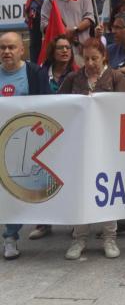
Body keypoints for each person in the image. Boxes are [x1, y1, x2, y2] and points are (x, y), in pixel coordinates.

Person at [58, 38, 125, 260]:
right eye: (86, 58)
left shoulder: (115, 77)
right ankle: (79, 239)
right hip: (80, 143)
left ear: (104, 57)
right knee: (81, 190)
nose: (89, 63)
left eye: (94, 58)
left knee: (108, 189)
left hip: (108, 144)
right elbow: (60, 105)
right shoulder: (73, 77)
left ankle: (110, 238)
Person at [0, 32, 48, 259]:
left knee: (14, 192)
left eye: (11, 47)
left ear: (22, 50)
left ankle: (10, 237)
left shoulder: (34, 73)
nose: (6, 52)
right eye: (2, 47)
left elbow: (49, 106)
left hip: (24, 147)